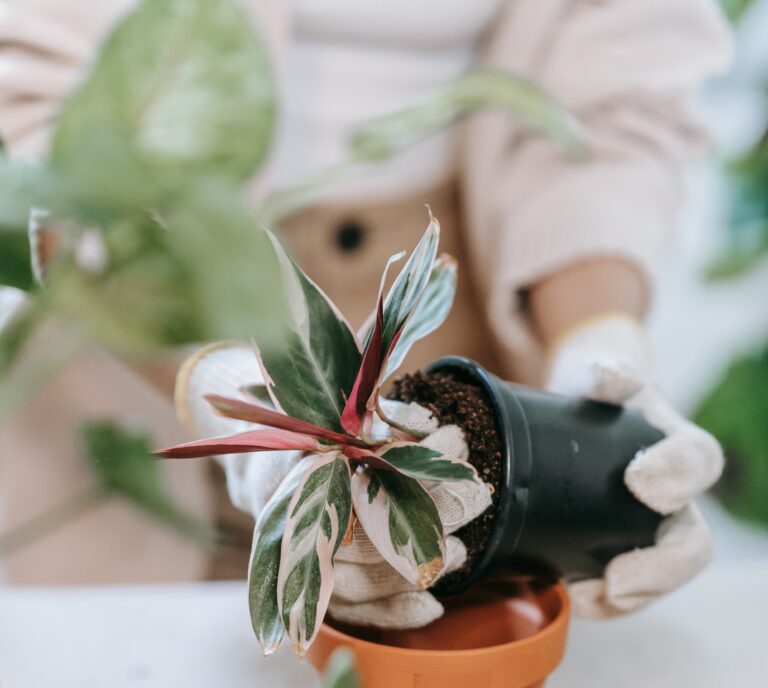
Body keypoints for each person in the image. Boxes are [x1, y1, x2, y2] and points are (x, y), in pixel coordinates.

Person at [0, 0, 732, 622]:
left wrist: (595, 338)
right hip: (128, 350)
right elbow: (42, 120)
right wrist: (213, 378)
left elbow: (616, 96)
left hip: (464, 301)